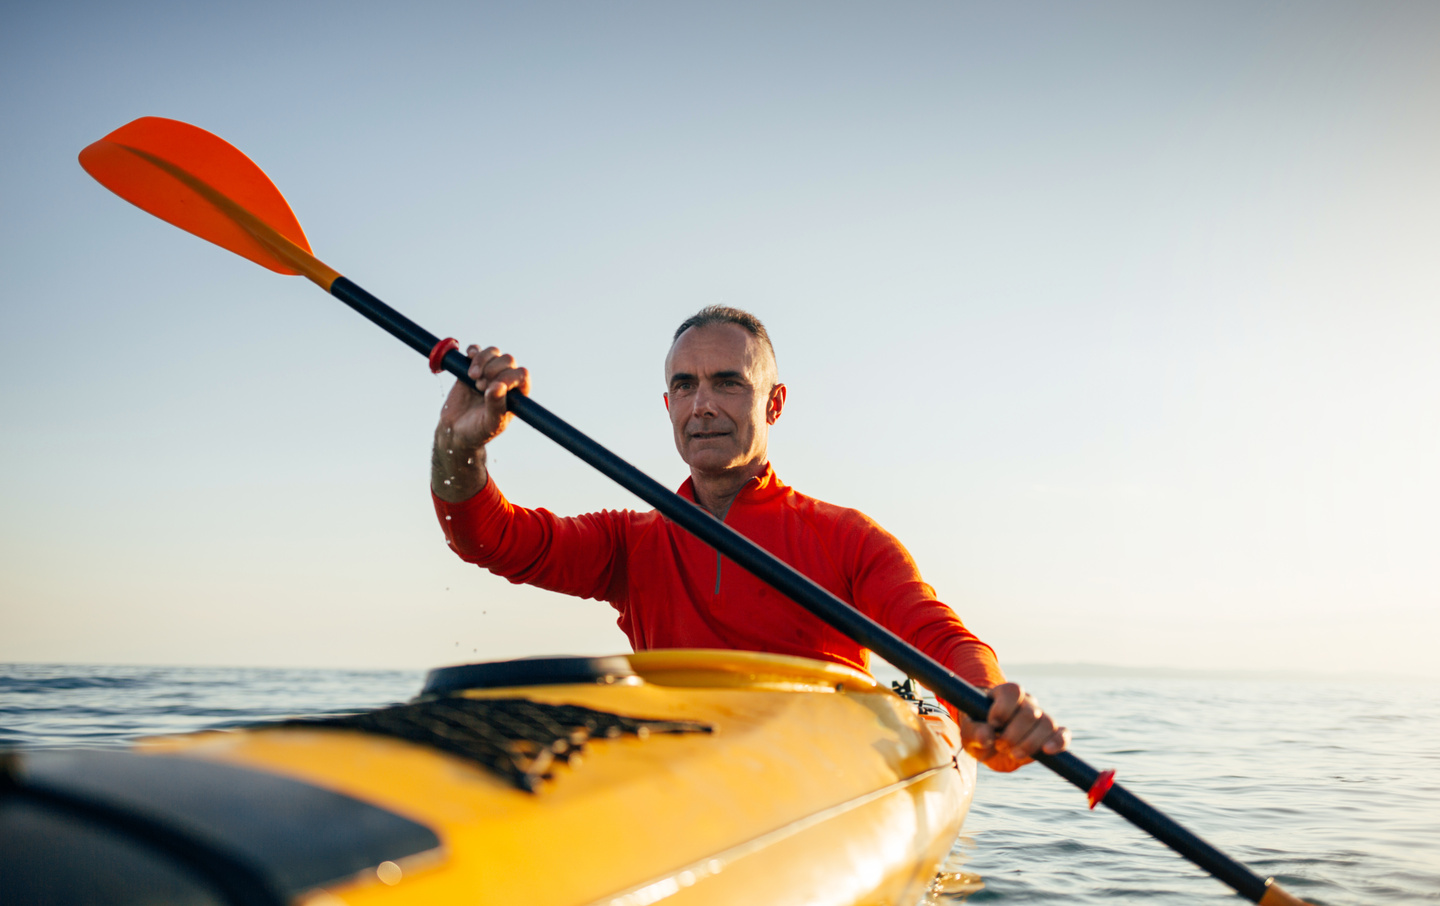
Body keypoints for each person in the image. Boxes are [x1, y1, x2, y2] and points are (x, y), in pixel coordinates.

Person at [431, 306, 1068, 772]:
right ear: (669, 405)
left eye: (728, 382)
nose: (702, 404)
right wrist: (458, 447)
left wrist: (985, 707)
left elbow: (938, 638)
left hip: (816, 782)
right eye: (685, 386)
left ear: (774, 402)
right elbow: (490, 539)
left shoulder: (846, 538)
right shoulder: (630, 543)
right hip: (679, 772)